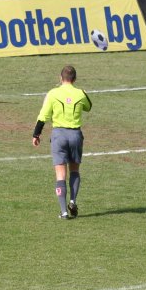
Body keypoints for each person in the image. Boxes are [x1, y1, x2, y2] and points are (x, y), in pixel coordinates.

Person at [32, 65, 92, 219]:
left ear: (60, 78)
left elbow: (43, 115)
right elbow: (88, 107)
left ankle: (64, 211)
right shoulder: (80, 93)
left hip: (59, 136)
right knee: (75, 171)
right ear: (75, 79)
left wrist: (36, 134)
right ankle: (73, 200)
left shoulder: (53, 93)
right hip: (75, 136)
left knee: (60, 175)